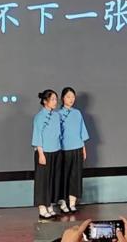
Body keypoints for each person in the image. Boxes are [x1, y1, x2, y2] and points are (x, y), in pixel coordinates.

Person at [58, 86, 90, 214]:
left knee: (75, 176)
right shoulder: (58, 114)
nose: (71, 99)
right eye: (68, 97)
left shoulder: (77, 113)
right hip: (64, 149)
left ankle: (72, 203)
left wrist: (83, 148)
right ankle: (63, 202)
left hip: (77, 148)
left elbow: (82, 132)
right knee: (64, 176)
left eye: (73, 97)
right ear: (63, 98)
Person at [32, 88, 63, 219]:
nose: (55, 102)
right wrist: (41, 153)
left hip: (56, 150)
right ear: (45, 101)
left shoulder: (56, 116)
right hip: (44, 152)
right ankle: (42, 207)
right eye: (52, 99)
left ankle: (49, 204)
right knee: (42, 181)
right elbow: (37, 135)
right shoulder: (39, 117)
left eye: (56, 99)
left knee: (53, 179)